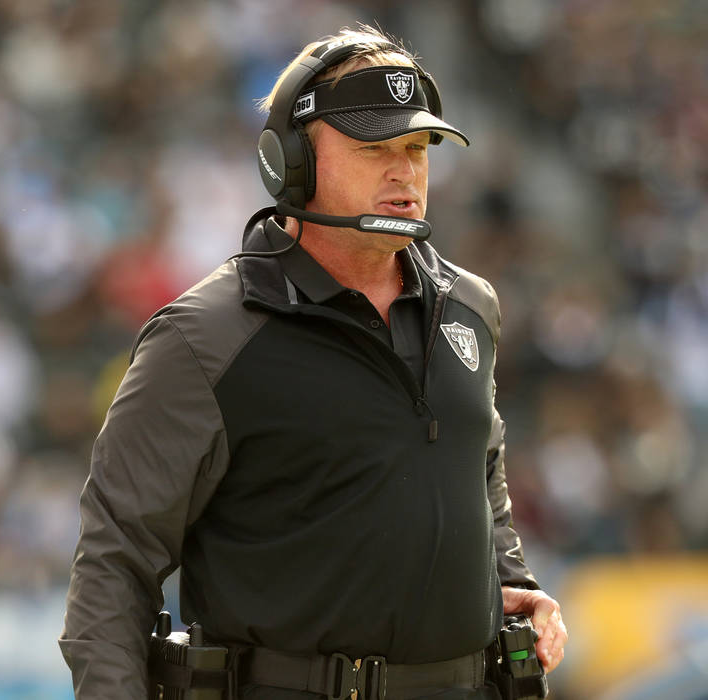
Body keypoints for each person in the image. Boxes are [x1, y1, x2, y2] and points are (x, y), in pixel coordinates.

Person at [59, 25, 567, 700]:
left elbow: (480, 474)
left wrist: (517, 583)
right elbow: (112, 568)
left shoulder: (471, 306)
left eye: (417, 147)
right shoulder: (204, 339)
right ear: (289, 162)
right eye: (375, 147)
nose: (405, 171)